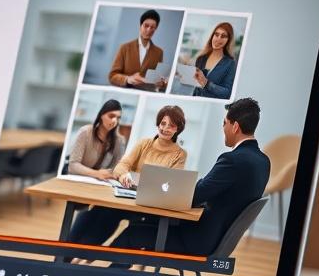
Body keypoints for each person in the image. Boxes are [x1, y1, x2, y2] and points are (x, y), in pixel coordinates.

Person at [111, 97, 271, 257]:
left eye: (225, 123)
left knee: (132, 234)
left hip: (197, 240)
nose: (223, 128)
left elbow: (194, 196)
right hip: (217, 240)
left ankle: (99, 275)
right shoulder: (263, 162)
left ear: (235, 126)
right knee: (143, 224)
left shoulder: (233, 160)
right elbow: (212, 190)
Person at [68, 105, 187, 246]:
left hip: (147, 207)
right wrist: (124, 174)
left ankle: (80, 253)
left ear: (177, 129)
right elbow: (122, 165)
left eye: (171, 126)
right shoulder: (144, 143)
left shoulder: (180, 154)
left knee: (108, 214)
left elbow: (171, 184)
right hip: (127, 197)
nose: (165, 128)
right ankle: (66, 252)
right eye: (163, 123)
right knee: (92, 211)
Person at [107, 9, 167, 91]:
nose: (149, 30)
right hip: (126, 90)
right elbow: (112, 76)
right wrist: (128, 79)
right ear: (140, 26)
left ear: (155, 29)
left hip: (146, 91)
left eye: (152, 27)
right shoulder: (125, 48)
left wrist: (162, 83)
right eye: (146, 25)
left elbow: (158, 79)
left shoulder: (159, 52)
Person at [66, 99, 125, 181]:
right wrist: (97, 173)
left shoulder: (119, 140)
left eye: (118, 118)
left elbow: (119, 167)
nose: (115, 121)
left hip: (100, 183)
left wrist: (122, 174)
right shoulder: (85, 132)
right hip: (77, 179)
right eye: (111, 116)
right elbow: (73, 165)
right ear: (101, 115)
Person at [188, 22, 237, 99]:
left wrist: (207, 83)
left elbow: (227, 93)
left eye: (223, 36)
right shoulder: (201, 58)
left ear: (228, 40)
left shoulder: (230, 64)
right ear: (212, 36)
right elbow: (196, 88)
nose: (218, 39)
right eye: (216, 34)